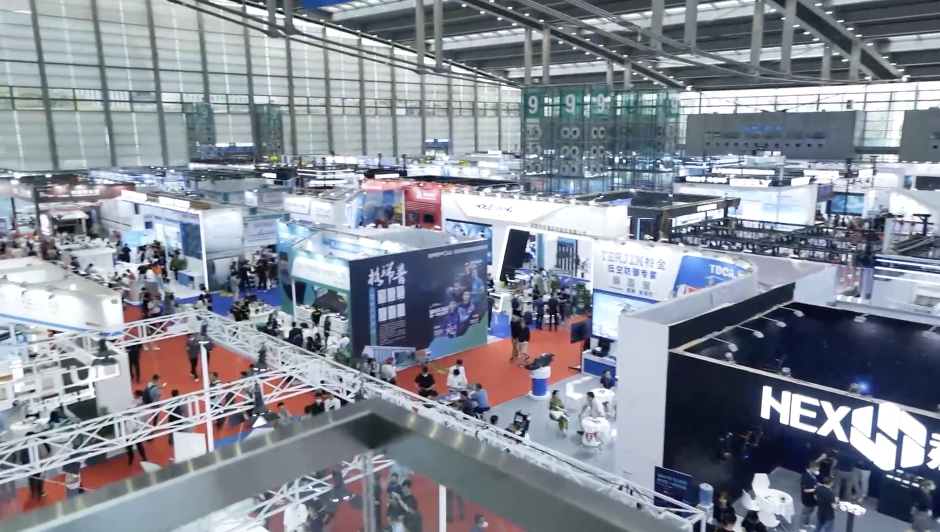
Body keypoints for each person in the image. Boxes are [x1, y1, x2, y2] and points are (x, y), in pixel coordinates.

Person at [126, 390, 150, 465]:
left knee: (132, 446)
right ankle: (141, 457)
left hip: (133, 430)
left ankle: (131, 460)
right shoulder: (138, 404)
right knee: (138, 445)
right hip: (134, 430)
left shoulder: (138, 404)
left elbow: (135, 410)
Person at [799, 459, 819, 530]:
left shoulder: (812, 475)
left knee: (810, 511)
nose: (817, 471)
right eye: (816, 469)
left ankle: (807, 523)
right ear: (812, 468)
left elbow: (814, 483)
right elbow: (805, 490)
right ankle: (801, 528)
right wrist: (815, 489)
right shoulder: (805, 477)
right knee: (805, 513)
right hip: (807, 499)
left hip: (812, 499)